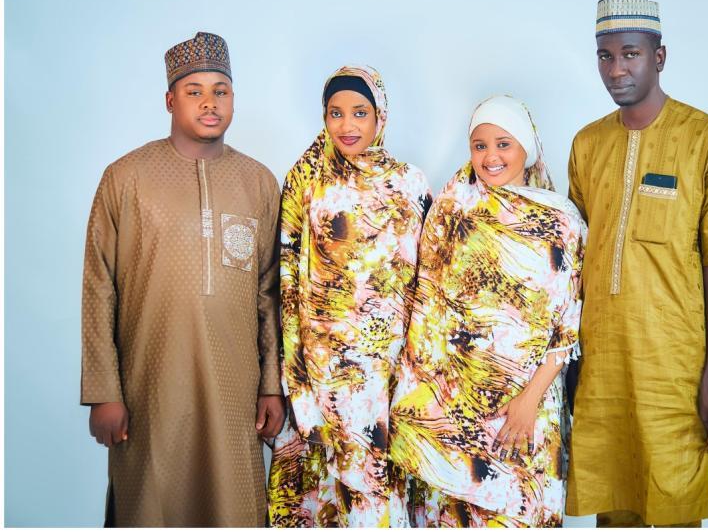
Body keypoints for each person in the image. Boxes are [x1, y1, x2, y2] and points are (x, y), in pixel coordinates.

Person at [80, 31, 284, 526]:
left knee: (233, 505)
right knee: (150, 504)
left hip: (234, 388)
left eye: (221, 90)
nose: (209, 103)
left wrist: (272, 385)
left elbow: (269, 292)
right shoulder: (124, 178)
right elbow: (98, 287)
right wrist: (104, 390)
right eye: (194, 91)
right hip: (149, 387)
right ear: (170, 99)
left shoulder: (258, 181)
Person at [566, 0, 708, 527]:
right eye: (605, 55)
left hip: (673, 370)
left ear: (659, 57)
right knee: (615, 510)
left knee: (672, 507)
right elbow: (571, 261)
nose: (616, 68)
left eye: (630, 54)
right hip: (600, 370)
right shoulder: (587, 144)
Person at [389, 95, 586, 527]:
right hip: (454, 415)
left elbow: (568, 324)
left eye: (503, 144)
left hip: (525, 411)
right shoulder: (450, 210)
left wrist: (528, 402)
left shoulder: (561, 221)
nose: (491, 157)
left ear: (526, 149)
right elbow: (428, 309)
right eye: (480, 145)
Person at [266, 65, 432, 527]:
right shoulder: (306, 180)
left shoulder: (409, 183)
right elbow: (286, 275)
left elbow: (427, 282)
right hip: (322, 369)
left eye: (360, 112)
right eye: (335, 113)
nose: (347, 125)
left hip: (387, 372)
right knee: (326, 495)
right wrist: (295, 373)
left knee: (379, 494)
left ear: (380, 116)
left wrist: (415, 372)